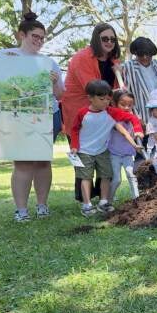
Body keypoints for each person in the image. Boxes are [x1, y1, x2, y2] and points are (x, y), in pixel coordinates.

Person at [0, 12, 65, 222]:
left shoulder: (49, 62)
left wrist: (54, 82)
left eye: (42, 38)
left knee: (43, 162)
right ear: (21, 35)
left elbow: (60, 94)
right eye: (35, 36)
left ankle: (42, 205)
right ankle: (21, 210)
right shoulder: (5, 55)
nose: (39, 41)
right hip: (19, 117)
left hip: (48, 115)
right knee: (24, 163)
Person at [63, 23, 122, 202]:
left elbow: (118, 89)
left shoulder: (113, 61)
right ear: (96, 39)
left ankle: (102, 197)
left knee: (103, 156)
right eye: (105, 38)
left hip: (103, 117)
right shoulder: (82, 58)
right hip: (82, 117)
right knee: (85, 158)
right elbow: (94, 90)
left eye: (112, 39)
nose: (109, 42)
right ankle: (85, 199)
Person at [69, 80, 142, 217]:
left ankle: (104, 202)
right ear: (90, 98)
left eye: (108, 99)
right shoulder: (83, 113)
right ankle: (87, 204)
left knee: (106, 176)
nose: (105, 102)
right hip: (84, 151)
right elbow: (74, 130)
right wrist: (74, 146)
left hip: (103, 151)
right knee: (86, 177)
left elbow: (132, 118)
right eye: (101, 99)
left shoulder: (111, 112)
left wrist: (137, 130)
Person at [122, 37, 157, 126]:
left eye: (148, 54)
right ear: (135, 54)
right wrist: (137, 118)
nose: (145, 57)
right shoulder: (128, 67)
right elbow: (126, 94)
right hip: (142, 118)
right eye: (141, 55)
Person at [108, 90, 139, 200]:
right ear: (114, 104)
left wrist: (138, 130)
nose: (126, 108)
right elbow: (124, 133)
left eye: (129, 105)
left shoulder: (132, 119)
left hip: (128, 154)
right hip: (114, 154)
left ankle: (136, 199)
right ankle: (108, 200)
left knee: (131, 175)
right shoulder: (112, 118)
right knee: (116, 179)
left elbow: (134, 133)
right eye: (123, 104)